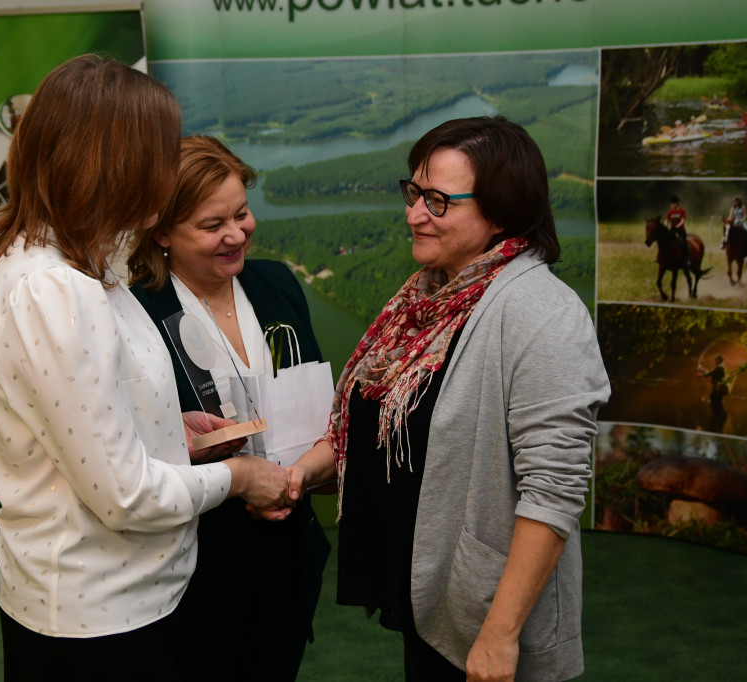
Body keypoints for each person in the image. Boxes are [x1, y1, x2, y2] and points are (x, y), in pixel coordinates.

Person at [0, 55, 289, 681]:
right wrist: (242, 475)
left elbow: (86, 422)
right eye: (155, 154)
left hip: (135, 597)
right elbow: (123, 496)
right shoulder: (56, 289)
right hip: (101, 622)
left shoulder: (81, 262)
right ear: (105, 163)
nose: (163, 172)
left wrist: (170, 427)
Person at [259, 116, 610, 681]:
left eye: (438, 201)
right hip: (433, 609)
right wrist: (300, 474)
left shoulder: (542, 313)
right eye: (414, 193)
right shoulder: (425, 299)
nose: (414, 214)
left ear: (501, 210)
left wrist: (499, 635)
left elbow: (553, 493)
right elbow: (378, 427)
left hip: (489, 628)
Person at [127, 135, 331, 682]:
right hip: (195, 566)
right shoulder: (135, 312)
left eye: (242, 213)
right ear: (162, 231)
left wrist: (297, 478)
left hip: (288, 548)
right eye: (213, 225)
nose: (237, 233)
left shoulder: (278, 285)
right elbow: (127, 449)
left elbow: (318, 410)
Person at [666, 195, 691, 269]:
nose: (672, 205)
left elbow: (682, 221)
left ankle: (687, 259)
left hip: (680, 230)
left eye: (674, 203)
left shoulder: (682, 211)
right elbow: (667, 220)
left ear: (677, 204)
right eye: (671, 204)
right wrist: (665, 225)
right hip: (672, 230)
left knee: (685, 243)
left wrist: (677, 226)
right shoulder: (670, 212)